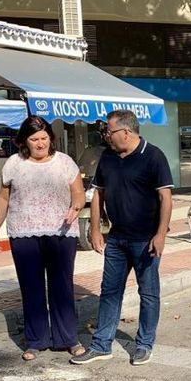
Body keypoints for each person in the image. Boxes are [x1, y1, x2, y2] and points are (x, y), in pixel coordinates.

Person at [71, 110, 173, 366]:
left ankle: (144, 344)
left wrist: (160, 235)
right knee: (110, 292)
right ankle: (101, 344)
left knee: (148, 294)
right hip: (116, 239)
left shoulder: (153, 156)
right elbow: (98, 196)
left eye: (109, 131)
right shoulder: (107, 157)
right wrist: (95, 230)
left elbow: (166, 198)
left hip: (146, 239)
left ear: (125, 132)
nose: (106, 135)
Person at [0, 116, 86, 361]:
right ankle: (35, 340)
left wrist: (75, 208)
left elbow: (79, 194)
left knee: (62, 286)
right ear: (25, 140)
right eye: (34, 139)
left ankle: (68, 338)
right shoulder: (13, 164)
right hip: (23, 232)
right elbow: (3, 198)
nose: (40, 143)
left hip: (61, 232)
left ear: (51, 139)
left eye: (44, 138)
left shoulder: (65, 162)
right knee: (31, 287)